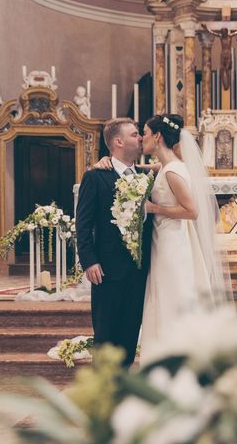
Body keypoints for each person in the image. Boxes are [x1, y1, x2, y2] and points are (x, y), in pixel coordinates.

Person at [138, 114, 232, 362]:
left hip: (171, 244)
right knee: (165, 294)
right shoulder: (171, 166)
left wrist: (153, 208)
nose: (141, 138)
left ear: (157, 137)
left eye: (145, 133)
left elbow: (192, 211)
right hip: (167, 239)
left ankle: (176, 355)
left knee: (172, 295)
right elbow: (160, 168)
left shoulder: (173, 172)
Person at [76, 118, 152, 367]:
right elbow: (83, 224)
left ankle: (124, 387)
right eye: (134, 134)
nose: (140, 138)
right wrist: (89, 261)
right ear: (118, 141)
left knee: (130, 334)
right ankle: (103, 392)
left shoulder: (146, 176)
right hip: (106, 270)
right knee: (106, 336)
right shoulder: (96, 176)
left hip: (139, 271)